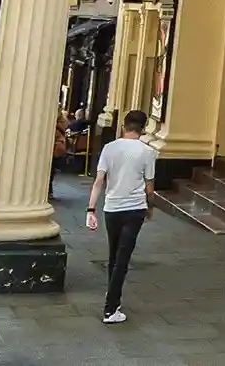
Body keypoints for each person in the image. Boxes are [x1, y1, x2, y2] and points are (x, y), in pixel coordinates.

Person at [86, 109, 157, 324]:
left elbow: (99, 181)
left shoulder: (109, 148)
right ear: (143, 129)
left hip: (112, 208)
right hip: (135, 208)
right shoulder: (148, 152)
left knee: (114, 255)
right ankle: (110, 308)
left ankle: (113, 300)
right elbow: (150, 186)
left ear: (124, 126)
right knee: (123, 257)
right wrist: (150, 208)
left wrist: (91, 210)